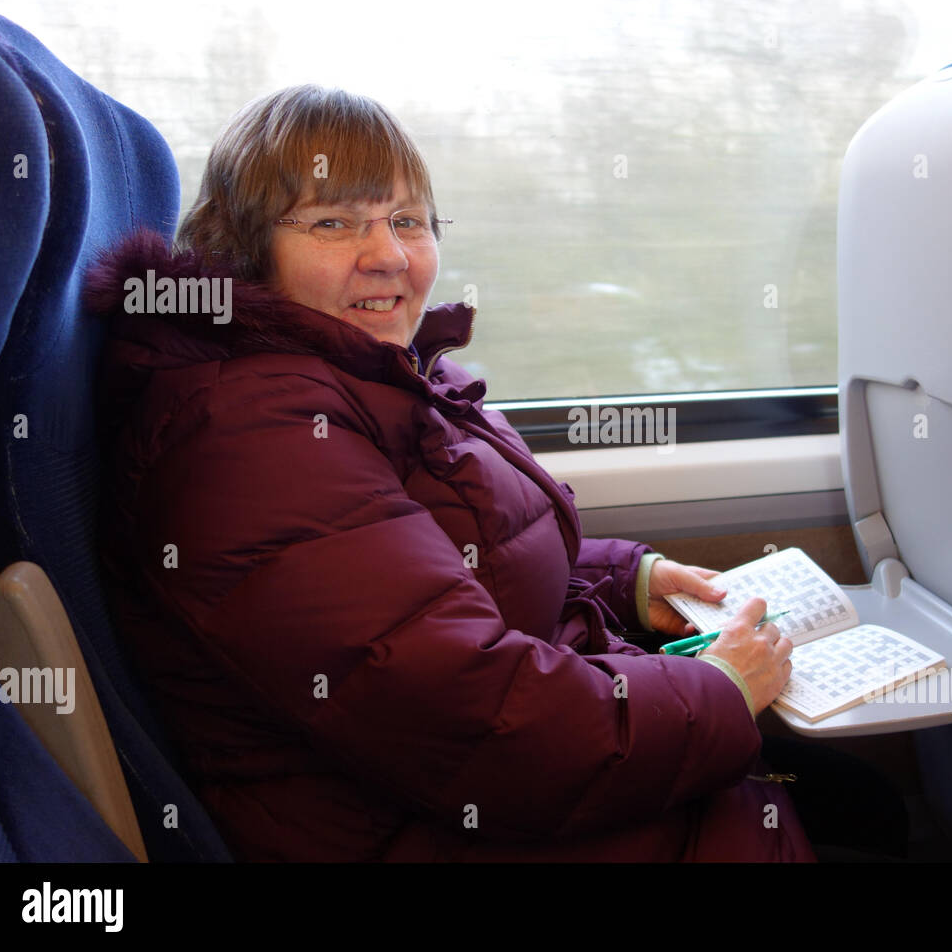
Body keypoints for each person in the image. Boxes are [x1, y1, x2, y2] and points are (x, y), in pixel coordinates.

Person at [88, 85, 901, 861]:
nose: (389, 257)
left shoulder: (367, 379)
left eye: (408, 220)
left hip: (488, 795)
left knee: (868, 804)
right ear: (246, 251)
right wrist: (720, 690)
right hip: (438, 824)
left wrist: (629, 580)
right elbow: (483, 722)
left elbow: (441, 561)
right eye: (334, 223)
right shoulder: (249, 433)